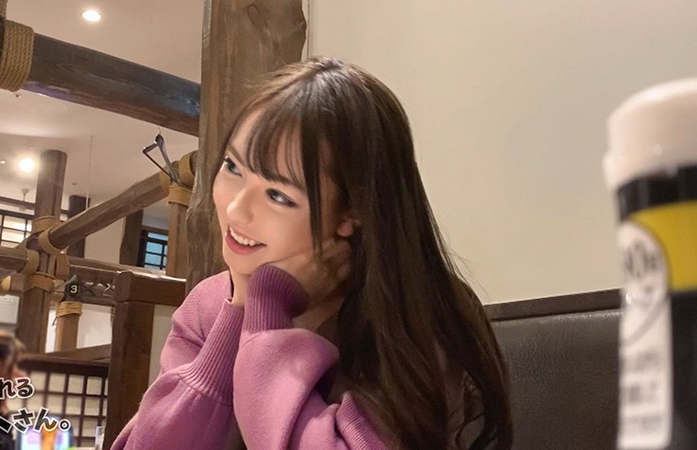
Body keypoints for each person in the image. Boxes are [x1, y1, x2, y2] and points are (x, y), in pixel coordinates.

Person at [113, 57, 512, 450]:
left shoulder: (413, 316)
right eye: (233, 167)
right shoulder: (209, 304)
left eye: (278, 195)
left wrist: (267, 312)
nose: (236, 210)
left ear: (352, 211)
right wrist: (240, 305)